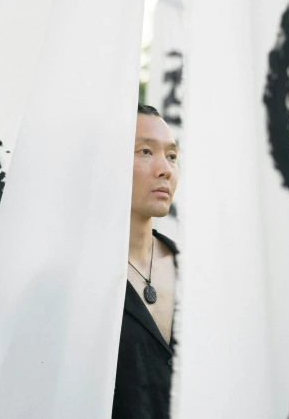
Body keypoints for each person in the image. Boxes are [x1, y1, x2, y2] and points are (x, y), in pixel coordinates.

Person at [112, 103, 180, 419]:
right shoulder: (71, 282)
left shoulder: (193, 272)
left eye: (172, 155)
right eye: (145, 152)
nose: (165, 168)